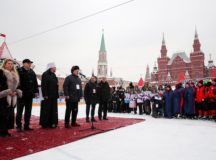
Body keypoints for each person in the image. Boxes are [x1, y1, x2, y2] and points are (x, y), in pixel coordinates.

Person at [0, 59, 22, 137]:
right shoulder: (1, 72)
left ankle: (6, 130)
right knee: (2, 114)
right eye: (8, 63)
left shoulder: (15, 74)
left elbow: (18, 86)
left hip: (13, 97)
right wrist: (7, 91)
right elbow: (1, 85)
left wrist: (16, 92)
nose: (10, 65)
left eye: (11, 64)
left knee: (9, 115)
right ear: (5, 64)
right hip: (3, 97)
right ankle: (2, 131)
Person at [16, 59, 39, 132]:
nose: (30, 64)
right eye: (28, 63)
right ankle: (18, 126)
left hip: (30, 95)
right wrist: (18, 91)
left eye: (30, 63)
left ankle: (26, 125)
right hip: (21, 95)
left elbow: (35, 82)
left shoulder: (32, 71)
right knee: (19, 111)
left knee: (28, 111)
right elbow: (16, 82)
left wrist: (36, 91)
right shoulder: (19, 71)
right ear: (24, 64)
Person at [40, 62, 59, 128]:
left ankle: (53, 123)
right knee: (46, 110)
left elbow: (56, 86)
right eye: (55, 67)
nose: (55, 68)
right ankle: (45, 123)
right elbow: (44, 85)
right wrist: (45, 94)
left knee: (53, 110)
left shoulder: (54, 75)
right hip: (47, 96)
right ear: (51, 67)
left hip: (54, 96)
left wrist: (57, 95)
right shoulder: (45, 74)